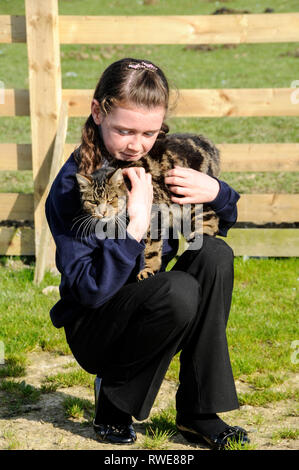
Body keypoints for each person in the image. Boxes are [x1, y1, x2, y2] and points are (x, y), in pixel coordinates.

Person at [45, 58, 249, 450]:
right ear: (97, 111)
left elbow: (219, 221)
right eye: (124, 130)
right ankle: (114, 403)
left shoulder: (158, 163)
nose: (136, 144)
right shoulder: (79, 185)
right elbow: (88, 290)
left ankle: (198, 411)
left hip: (150, 301)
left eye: (149, 132)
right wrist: (135, 226)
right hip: (97, 324)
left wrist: (217, 193)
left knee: (215, 255)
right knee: (177, 290)